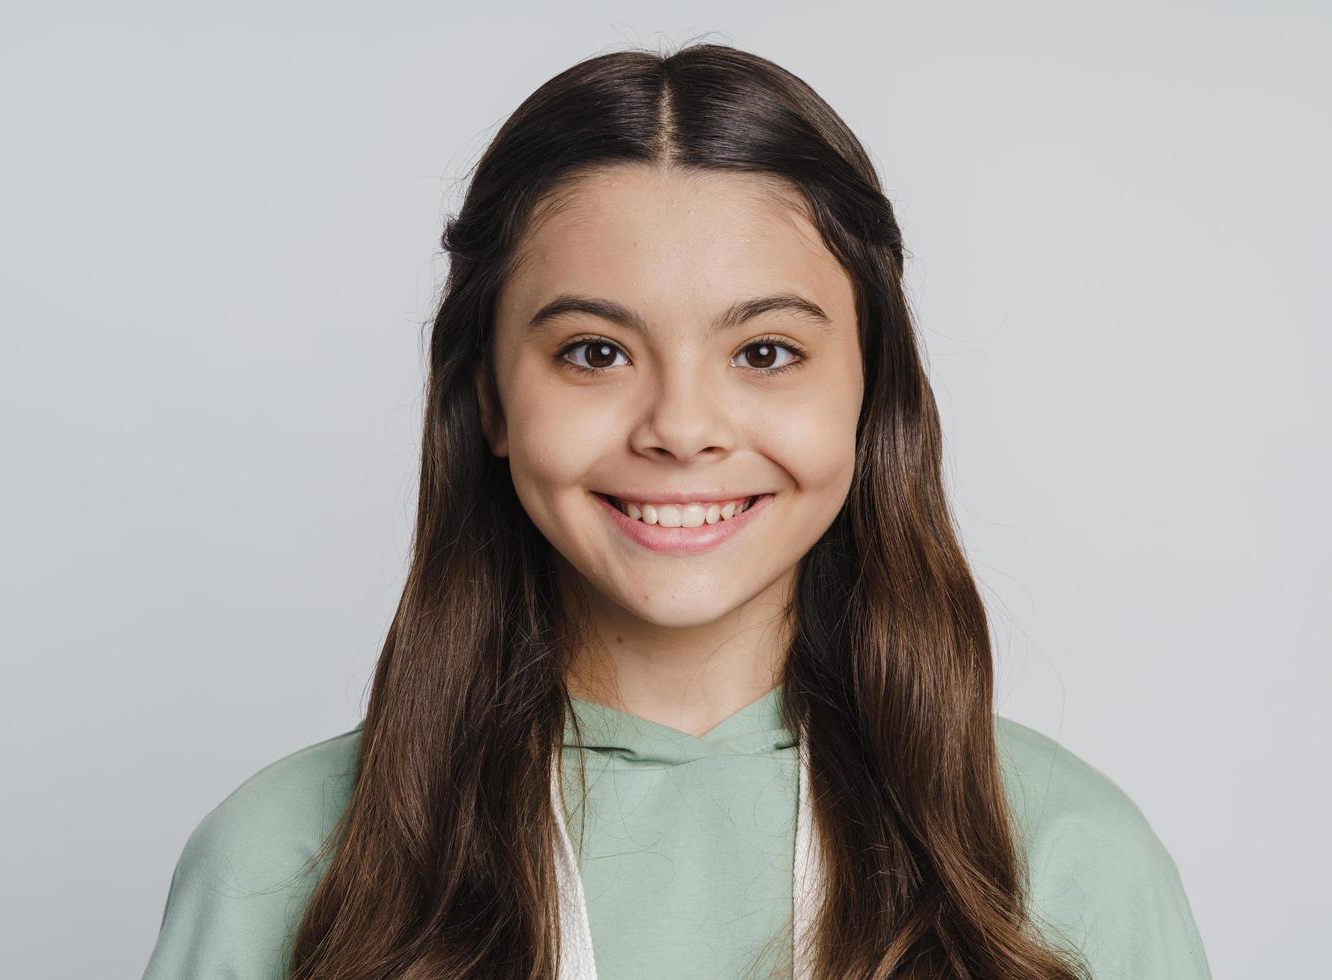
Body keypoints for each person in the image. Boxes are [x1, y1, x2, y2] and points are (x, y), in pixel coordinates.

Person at [142, 42, 1212, 980]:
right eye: (595, 352)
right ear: (490, 399)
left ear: (868, 390)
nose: (683, 426)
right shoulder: (283, 862)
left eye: (765, 351)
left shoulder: (1063, 858)